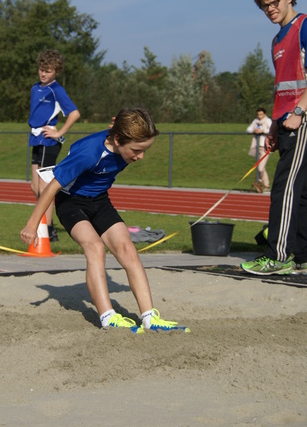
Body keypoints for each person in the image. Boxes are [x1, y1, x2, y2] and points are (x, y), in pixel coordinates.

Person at [20, 107, 190, 333]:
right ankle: (107, 316)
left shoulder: (120, 138)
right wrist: (32, 225)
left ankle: (150, 317)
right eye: (137, 150)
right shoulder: (89, 153)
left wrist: (119, 121)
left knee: (127, 248)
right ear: (118, 140)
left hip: (100, 201)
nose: (141, 157)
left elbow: (122, 124)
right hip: (71, 203)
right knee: (95, 248)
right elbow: (51, 188)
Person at [241, 0, 307, 276]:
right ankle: (301, 255)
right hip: (286, 123)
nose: (270, 8)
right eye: (265, 6)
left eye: (275, 1)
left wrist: (299, 112)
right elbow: (282, 87)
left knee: (285, 186)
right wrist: (274, 126)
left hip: (302, 120)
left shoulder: (303, 26)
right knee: (301, 190)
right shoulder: (276, 40)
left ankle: (278, 255)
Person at [28, 49, 80, 241]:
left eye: (48, 70)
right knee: (35, 186)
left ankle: (48, 230)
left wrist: (58, 132)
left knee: (44, 186)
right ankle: (45, 221)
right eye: (42, 69)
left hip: (48, 140)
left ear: (56, 72)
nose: (43, 73)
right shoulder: (36, 88)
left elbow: (74, 113)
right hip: (36, 139)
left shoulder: (56, 90)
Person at [246, 107, 272, 192]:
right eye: (258, 114)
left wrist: (262, 130)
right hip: (256, 146)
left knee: (261, 168)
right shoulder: (255, 121)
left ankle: (261, 182)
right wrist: (254, 130)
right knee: (259, 168)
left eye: (261, 114)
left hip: (265, 147)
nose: (259, 116)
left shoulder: (268, 121)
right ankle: (266, 186)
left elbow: (271, 130)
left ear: (265, 114)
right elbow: (248, 129)